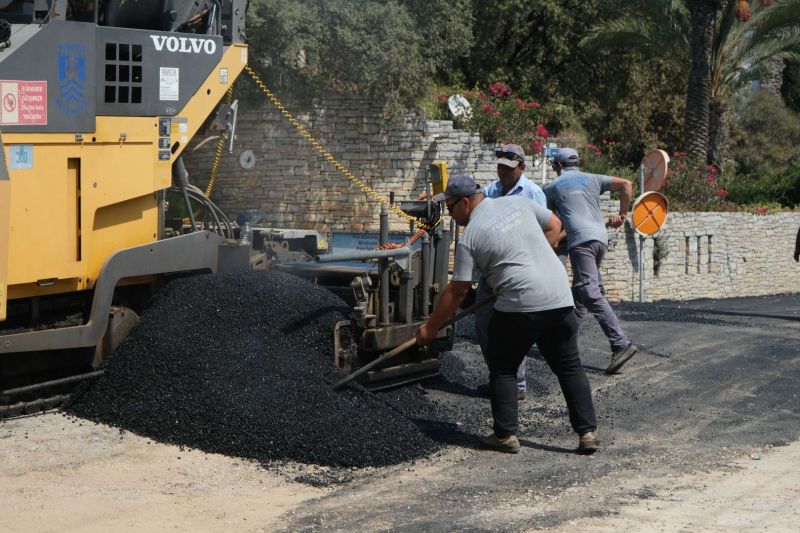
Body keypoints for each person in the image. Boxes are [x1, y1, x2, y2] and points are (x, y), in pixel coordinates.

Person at [416, 174, 599, 454]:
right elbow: (555, 224)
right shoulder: (519, 203)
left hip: (520, 304)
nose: (451, 215)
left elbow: (458, 291)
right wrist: (536, 262)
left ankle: (505, 435)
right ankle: (587, 433)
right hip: (559, 295)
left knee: (503, 367)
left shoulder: (470, 237)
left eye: (450, 208)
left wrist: (430, 329)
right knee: (568, 365)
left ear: (465, 203)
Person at [544, 147, 637, 374]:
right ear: (576, 163)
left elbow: (552, 226)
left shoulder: (552, 187)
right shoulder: (592, 178)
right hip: (599, 240)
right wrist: (622, 214)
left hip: (582, 243)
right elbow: (626, 184)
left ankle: (620, 343)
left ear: (558, 166)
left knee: (589, 292)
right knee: (580, 296)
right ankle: (565, 345)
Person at [474, 143, 548, 401]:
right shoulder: (491, 190)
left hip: (516, 270)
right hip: (491, 269)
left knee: (512, 328)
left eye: (508, 168)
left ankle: (516, 386)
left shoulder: (533, 193)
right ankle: (499, 379)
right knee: (483, 325)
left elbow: (543, 228)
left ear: (522, 167)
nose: (503, 173)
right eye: (500, 168)